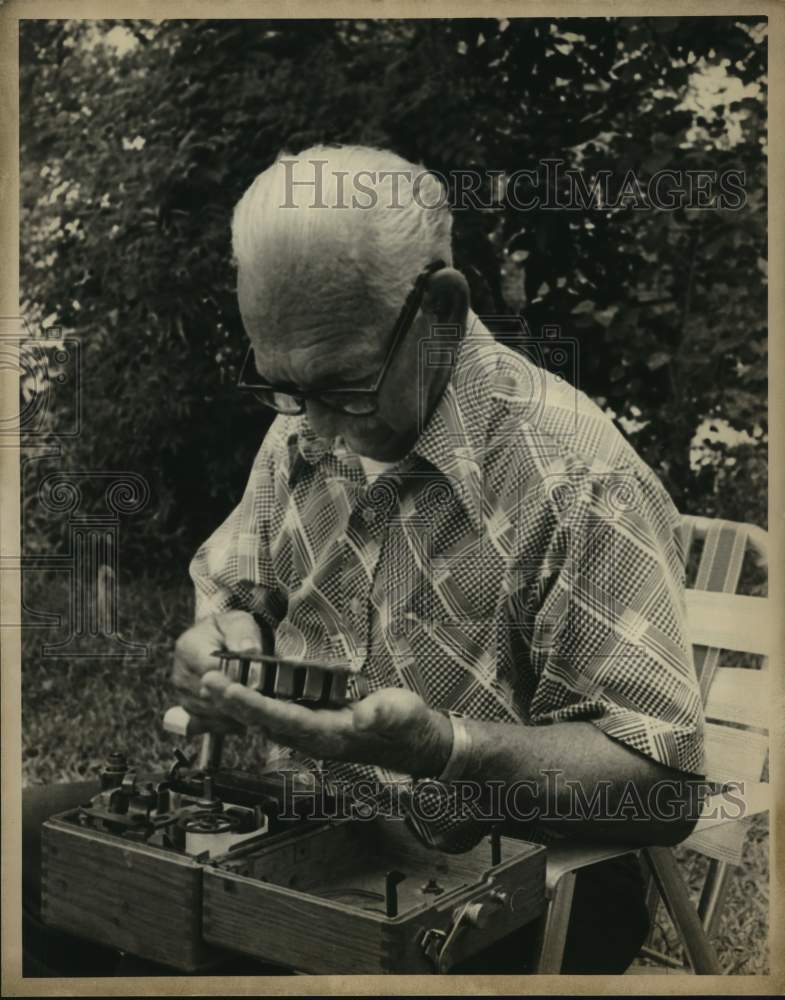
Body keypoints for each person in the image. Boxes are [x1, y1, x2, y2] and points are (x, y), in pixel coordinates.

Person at [23, 145, 704, 976]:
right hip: (310, 824)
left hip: (508, 874)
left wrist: (444, 749)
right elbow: (238, 595)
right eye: (284, 388)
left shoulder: (578, 477)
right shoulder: (307, 420)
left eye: (343, 389)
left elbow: (661, 788)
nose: (308, 429)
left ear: (442, 312)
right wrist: (224, 643)